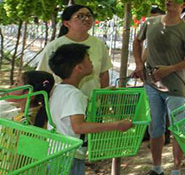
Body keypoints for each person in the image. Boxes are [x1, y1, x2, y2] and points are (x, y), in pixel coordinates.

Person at [132, 0, 185, 175]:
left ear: (183, 4)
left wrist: (169, 69)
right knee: (155, 126)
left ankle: (176, 169)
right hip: (152, 85)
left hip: (175, 87)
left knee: (178, 128)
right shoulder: (150, 23)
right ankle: (157, 167)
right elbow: (137, 42)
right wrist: (139, 63)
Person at [49, 44, 133, 175]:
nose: (92, 61)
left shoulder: (60, 89)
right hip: (70, 156)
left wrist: (102, 92)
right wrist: (118, 125)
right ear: (79, 68)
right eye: (88, 58)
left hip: (56, 152)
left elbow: (77, 109)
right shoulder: (74, 95)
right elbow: (79, 127)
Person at [38, 5, 112, 97]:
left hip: (92, 103)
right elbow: (42, 76)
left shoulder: (98, 44)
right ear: (67, 23)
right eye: (80, 16)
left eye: (89, 15)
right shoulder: (54, 46)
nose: (86, 19)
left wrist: (104, 99)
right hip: (64, 101)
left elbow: (104, 74)